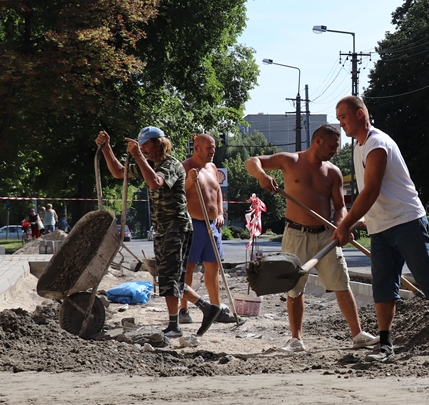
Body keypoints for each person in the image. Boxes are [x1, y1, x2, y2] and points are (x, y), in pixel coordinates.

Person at [333, 96, 429, 362]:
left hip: (407, 220)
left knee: (428, 279)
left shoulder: (378, 144)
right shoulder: (358, 146)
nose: (340, 123)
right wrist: (357, 222)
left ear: (359, 114)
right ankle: (386, 345)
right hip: (380, 227)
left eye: (343, 117)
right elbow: (368, 195)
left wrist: (346, 223)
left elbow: (371, 190)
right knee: (383, 286)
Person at [245, 124, 378, 352]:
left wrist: (342, 225)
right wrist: (262, 176)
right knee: (294, 288)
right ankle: (296, 339)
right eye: (332, 146)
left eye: (337, 147)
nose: (335, 150)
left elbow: (339, 207)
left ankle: (358, 335)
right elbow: (252, 162)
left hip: (326, 236)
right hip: (296, 234)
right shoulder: (290, 161)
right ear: (318, 141)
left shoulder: (333, 172)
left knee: (341, 284)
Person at [96, 126, 222, 338]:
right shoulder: (149, 163)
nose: (143, 150)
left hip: (177, 227)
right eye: (141, 147)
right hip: (163, 229)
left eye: (145, 145)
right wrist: (106, 148)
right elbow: (118, 172)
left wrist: (137, 156)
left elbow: (155, 183)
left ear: (157, 143)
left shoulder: (172, 165)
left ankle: (176, 324)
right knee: (169, 278)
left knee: (169, 277)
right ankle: (206, 308)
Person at [177, 133, 237, 324]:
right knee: (188, 268)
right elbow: (177, 194)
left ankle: (216, 309)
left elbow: (217, 191)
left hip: (212, 225)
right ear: (197, 149)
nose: (213, 151)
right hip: (192, 224)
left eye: (214, 147)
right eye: (209, 148)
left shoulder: (212, 167)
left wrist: (219, 213)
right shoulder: (185, 167)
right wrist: (188, 181)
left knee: (213, 266)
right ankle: (184, 310)